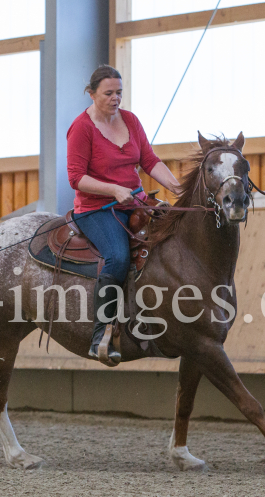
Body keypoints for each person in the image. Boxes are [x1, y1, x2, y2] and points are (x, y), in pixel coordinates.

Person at [66, 65, 181, 362]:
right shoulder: (82, 127)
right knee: (117, 258)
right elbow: (76, 178)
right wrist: (114, 190)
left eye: (119, 92)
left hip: (135, 202)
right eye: (108, 93)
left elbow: (149, 160)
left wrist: (176, 187)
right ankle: (98, 336)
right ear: (91, 94)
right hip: (96, 208)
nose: (116, 98)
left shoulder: (130, 120)